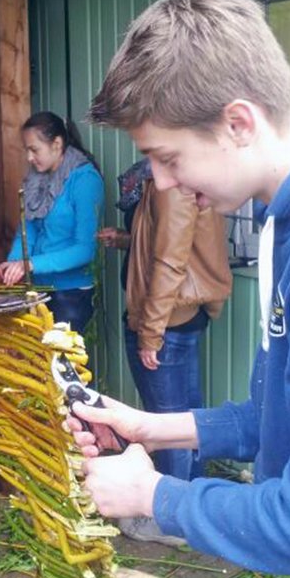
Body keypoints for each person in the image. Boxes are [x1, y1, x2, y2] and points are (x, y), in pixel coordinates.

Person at [67, 0, 290, 578]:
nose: (158, 181)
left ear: (239, 122)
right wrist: (152, 426)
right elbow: (272, 415)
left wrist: (155, 497)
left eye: (167, 156)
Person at [97, 158, 232, 544]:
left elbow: (171, 261)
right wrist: (126, 240)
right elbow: (168, 240)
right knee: (187, 415)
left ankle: (168, 520)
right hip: (179, 316)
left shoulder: (172, 184)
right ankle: (192, 506)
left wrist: (150, 333)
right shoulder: (180, 176)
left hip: (167, 320)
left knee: (167, 421)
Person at [0, 111, 104, 333]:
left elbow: (85, 250)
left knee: (59, 354)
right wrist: (13, 265)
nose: (29, 158)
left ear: (57, 144)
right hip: (38, 289)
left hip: (71, 294)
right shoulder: (36, 178)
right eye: (27, 150)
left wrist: (30, 264)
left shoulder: (85, 180)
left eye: (34, 150)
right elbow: (27, 231)